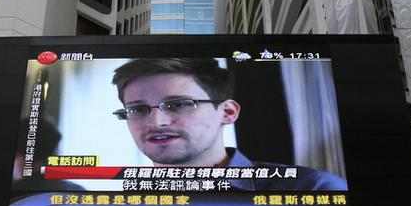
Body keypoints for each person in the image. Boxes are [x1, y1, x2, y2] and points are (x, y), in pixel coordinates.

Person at [111, 58, 347, 191]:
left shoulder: (313, 189)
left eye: (178, 104)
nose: (156, 122)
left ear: (227, 112)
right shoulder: (122, 201)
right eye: (137, 109)